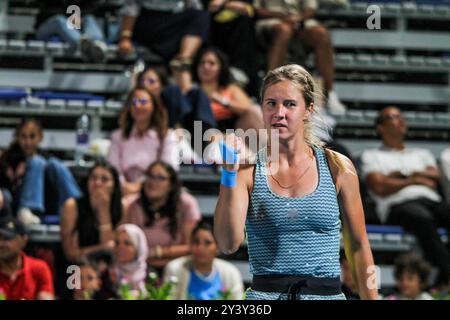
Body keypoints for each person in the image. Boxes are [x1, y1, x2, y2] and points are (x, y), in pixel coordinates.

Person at [214, 64, 378, 300]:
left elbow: (360, 246)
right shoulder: (246, 172)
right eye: (271, 103)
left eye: (290, 104)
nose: (279, 112)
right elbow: (227, 244)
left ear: (308, 110)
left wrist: (372, 298)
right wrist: (227, 176)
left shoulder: (338, 167)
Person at [361, 106, 450, 289]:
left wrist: (398, 176)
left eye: (401, 117)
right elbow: (378, 186)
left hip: (430, 201)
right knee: (422, 219)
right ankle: (447, 273)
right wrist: (416, 178)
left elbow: (434, 180)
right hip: (397, 205)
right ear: (380, 128)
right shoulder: (371, 155)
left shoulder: (421, 153)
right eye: (392, 117)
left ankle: (444, 275)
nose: (400, 120)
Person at [253, 0, 346, 114]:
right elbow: (256, 10)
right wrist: (281, 16)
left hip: (299, 22)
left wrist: (297, 18)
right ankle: (269, 90)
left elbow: (310, 10)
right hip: (271, 21)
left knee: (321, 34)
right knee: (284, 30)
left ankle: (328, 94)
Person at [0, 118, 81, 225]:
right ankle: (27, 209)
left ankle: (79, 205)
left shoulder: (46, 157)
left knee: (54, 164)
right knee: (36, 162)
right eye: (23, 137)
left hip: (46, 203)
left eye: (32, 136)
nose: (28, 141)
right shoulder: (7, 158)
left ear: (40, 137)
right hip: (16, 203)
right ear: (17, 138)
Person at [126, 161, 201, 272]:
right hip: (140, 267)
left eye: (160, 178)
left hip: (179, 267)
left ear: (171, 185)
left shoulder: (187, 204)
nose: (153, 182)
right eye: (150, 176)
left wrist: (156, 252)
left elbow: (190, 246)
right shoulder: (133, 204)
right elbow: (128, 247)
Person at [107, 86, 180, 196]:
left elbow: (169, 169)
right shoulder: (117, 136)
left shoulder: (167, 136)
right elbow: (112, 169)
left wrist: (140, 186)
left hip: (156, 192)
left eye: (143, 101)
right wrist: (124, 186)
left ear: (154, 106)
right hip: (123, 191)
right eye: (134, 102)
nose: (138, 105)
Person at [137, 66, 216, 154]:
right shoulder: (137, 104)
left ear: (161, 85)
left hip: (183, 140)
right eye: (142, 81)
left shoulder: (170, 96)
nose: (145, 84)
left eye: (151, 81)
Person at [60, 160, 125, 264]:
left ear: (114, 186)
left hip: (110, 267)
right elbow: (70, 254)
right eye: (93, 178)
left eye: (104, 179)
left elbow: (115, 252)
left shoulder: (122, 207)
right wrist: (101, 248)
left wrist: (104, 210)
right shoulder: (72, 206)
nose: (97, 183)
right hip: (77, 268)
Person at [192, 46, 265, 134]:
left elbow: (247, 107)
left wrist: (222, 101)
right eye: (202, 63)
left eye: (211, 63)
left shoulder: (231, 89)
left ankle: (274, 146)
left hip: (235, 132)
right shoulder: (192, 92)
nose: (206, 67)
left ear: (221, 67)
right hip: (203, 134)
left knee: (253, 111)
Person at [163, 220, 244, 300]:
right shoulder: (174, 269)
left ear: (218, 247)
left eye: (207, 243)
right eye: (196, 242)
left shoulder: (231, 273)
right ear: (190, 244)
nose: (200, 248)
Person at [118, 0, 209, 67]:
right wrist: (125, 38)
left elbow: (194, 7)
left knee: (202, 16)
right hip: (147, 22)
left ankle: (183, 58)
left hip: (172, 20)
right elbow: (131, 8)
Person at [35, 0, 108, 63]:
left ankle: (97, 44)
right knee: (59, 20)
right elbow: (49, 10)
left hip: (71, 28)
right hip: (45, 28)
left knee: (88, 18)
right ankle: (83, 44)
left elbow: (91, 8)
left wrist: (78, 17)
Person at [0, 216, 54, 300]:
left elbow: (46, 297)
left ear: (23, 240)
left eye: (7, 238)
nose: (1, 244)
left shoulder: (39, 268)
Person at [111, 224, 149, 298]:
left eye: (127, 243)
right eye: (117, 243)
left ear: (138, 247)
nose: (120, 247)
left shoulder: (149, 275)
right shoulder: (108, 275)